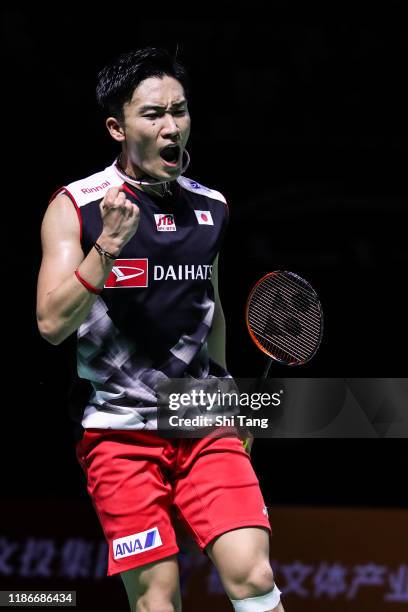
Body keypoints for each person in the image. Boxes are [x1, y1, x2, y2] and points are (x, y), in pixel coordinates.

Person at [36, 47, 284, 612]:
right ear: (116, 127)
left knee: (252, 573)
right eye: (152, 114)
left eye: (180, 110)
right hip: (118, 433)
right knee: (156, 598)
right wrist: (107, 250)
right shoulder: (77, 207)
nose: (171, 126)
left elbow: (213, 308)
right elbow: (51, 323)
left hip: (199, 418)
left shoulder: (212, 207)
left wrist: (232, 404)